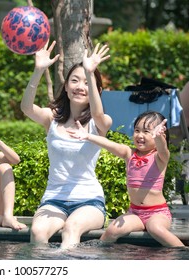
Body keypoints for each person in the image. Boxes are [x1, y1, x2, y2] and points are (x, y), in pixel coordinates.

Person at [21, 41, 112, 249]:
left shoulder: (100, 122)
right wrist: (38, 70)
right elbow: (26, 107)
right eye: (75, 81)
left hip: (89, 201)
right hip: (54, 199)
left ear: (96, 90)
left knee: (72, 227)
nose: (80, 87)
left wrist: (90, 71)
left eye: (87, 83)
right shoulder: (51, 118)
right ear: (66, 86)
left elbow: (97, 113)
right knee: (37, 231)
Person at [68, 110, 185, 247]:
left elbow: (163, 148)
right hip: (135, 212)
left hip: (157, 213)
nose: (140, 135)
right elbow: (108, 143)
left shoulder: (159, 157)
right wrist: (88, 136)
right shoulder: (129, 154)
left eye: (147, 132)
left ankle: (182, 253)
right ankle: (99, 256)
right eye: (137, 130)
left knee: (156, 229)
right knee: (112, 230)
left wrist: (159, 138)